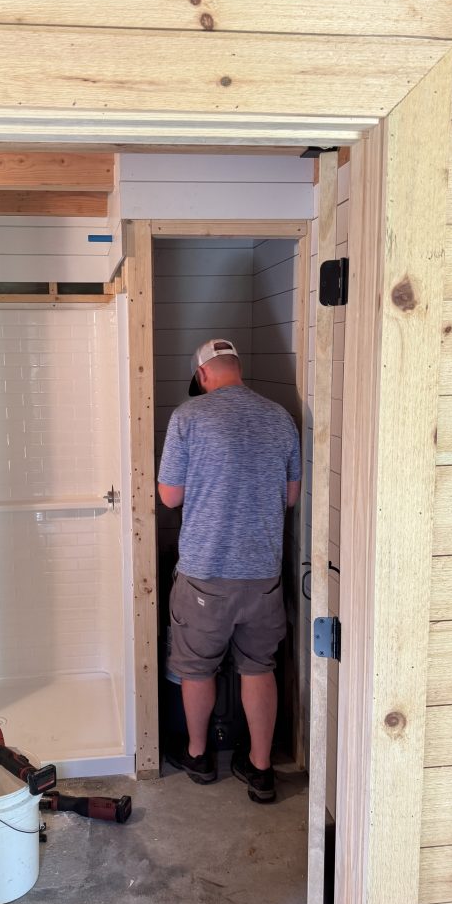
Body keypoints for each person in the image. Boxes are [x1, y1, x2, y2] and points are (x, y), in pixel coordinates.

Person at [157, 338, 301, 803]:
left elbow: (169, 497)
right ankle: (260, 770)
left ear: (202, 376)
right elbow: (291, 496)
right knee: (259, 667)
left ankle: (199, 756)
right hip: (263, 575)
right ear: (236, 368)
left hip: (205, 575)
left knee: (197, 668)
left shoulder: (188, 417)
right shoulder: (280, 417)